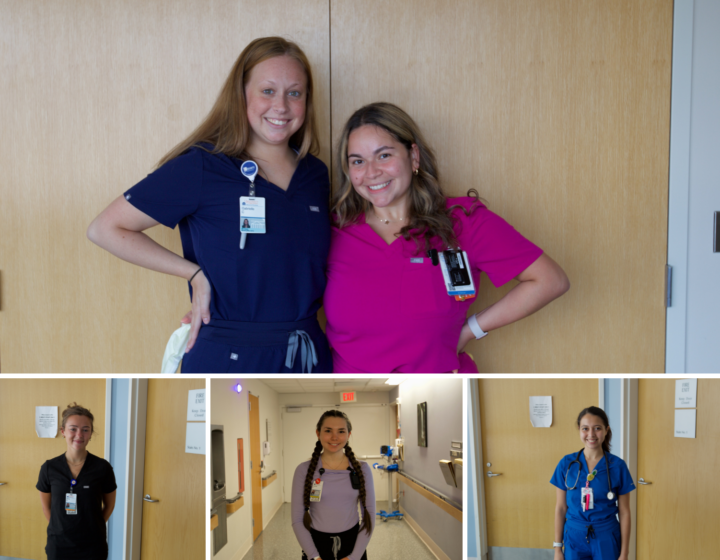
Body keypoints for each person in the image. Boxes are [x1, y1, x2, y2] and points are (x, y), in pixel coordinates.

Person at [87, 37, 332, 373]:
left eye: (294, 93)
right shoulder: (202, 166)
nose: (281, 106)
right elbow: (105, 229)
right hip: (225, 352)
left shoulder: (316, 175)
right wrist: (193, 273)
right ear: (241, 94)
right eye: (267, 91)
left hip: (308, 353)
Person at [324, 102, 570, 372]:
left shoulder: (463, 223)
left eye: (384, 155)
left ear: (414, 156)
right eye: (358, 161)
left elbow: (550, 280)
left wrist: (470, 330)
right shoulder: (332, 229)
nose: (371, 172)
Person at [550, 406, 636, 560]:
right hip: (574, 537)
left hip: (606, 536)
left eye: (597, 428)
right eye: (585, 428)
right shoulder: (566, 464)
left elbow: (624, 512)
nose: (591, 434)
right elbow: (561, 508)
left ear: (606, 430)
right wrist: (557, 548)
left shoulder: (617, 466)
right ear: (579, 430)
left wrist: (624, 553)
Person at [292, 410, 375, 560]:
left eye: (341, 431)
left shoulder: (361, 469)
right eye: (328, 431)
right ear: (318, 433)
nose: (334, 437)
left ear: (349, 434)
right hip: (316, 546)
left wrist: (354, 557)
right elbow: (297, 520)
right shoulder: (304, 470)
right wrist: (314, 556)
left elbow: (369, 518)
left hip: (353, 546)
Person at [37, 403, 116, 560]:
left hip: (93, 545)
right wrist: (62, 529)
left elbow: (109, 505)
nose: (79, 435)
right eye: (73, 429)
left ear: (91, 434)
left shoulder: (102, 468)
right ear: (63, 432)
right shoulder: (49, 468)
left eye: (85, 430)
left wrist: (93, 526)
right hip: (59, 544)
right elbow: (46, 507)